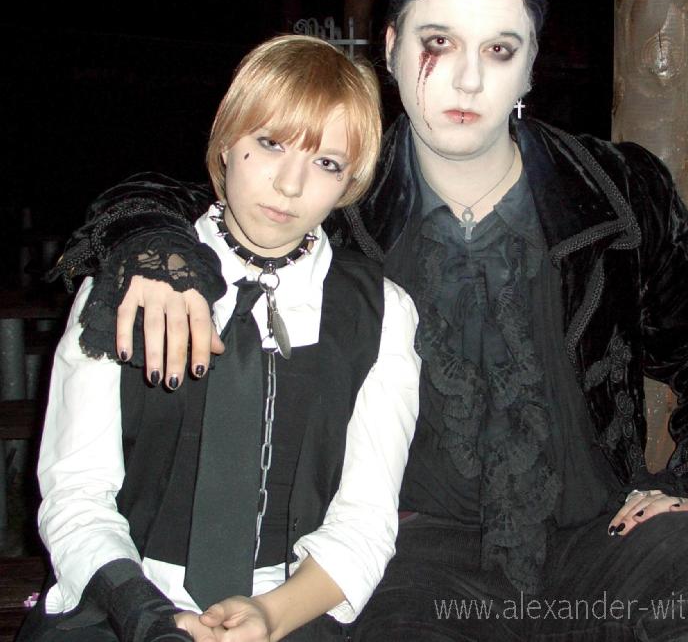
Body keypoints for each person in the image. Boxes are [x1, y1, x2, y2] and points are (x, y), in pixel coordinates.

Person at [49, 0, 688, 641]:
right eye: (437, 42)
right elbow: (203, 197)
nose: (468, 78)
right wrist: (153, 249)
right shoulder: (338, 198)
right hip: (414, 562)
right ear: (391, 49)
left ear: (531, 66)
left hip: (601, 539)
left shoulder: (616, 191)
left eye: (499, 49)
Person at [21, 35, 420, 642]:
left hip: (293, 607)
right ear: (228, 142)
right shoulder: (128, 283)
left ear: (349, 183)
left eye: (326, 163)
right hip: (120, 599)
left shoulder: (382, 312)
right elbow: (75, 492)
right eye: (271, 143)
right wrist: (146, 614)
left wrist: (272, 614)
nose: (291, 184)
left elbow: (365, 518)